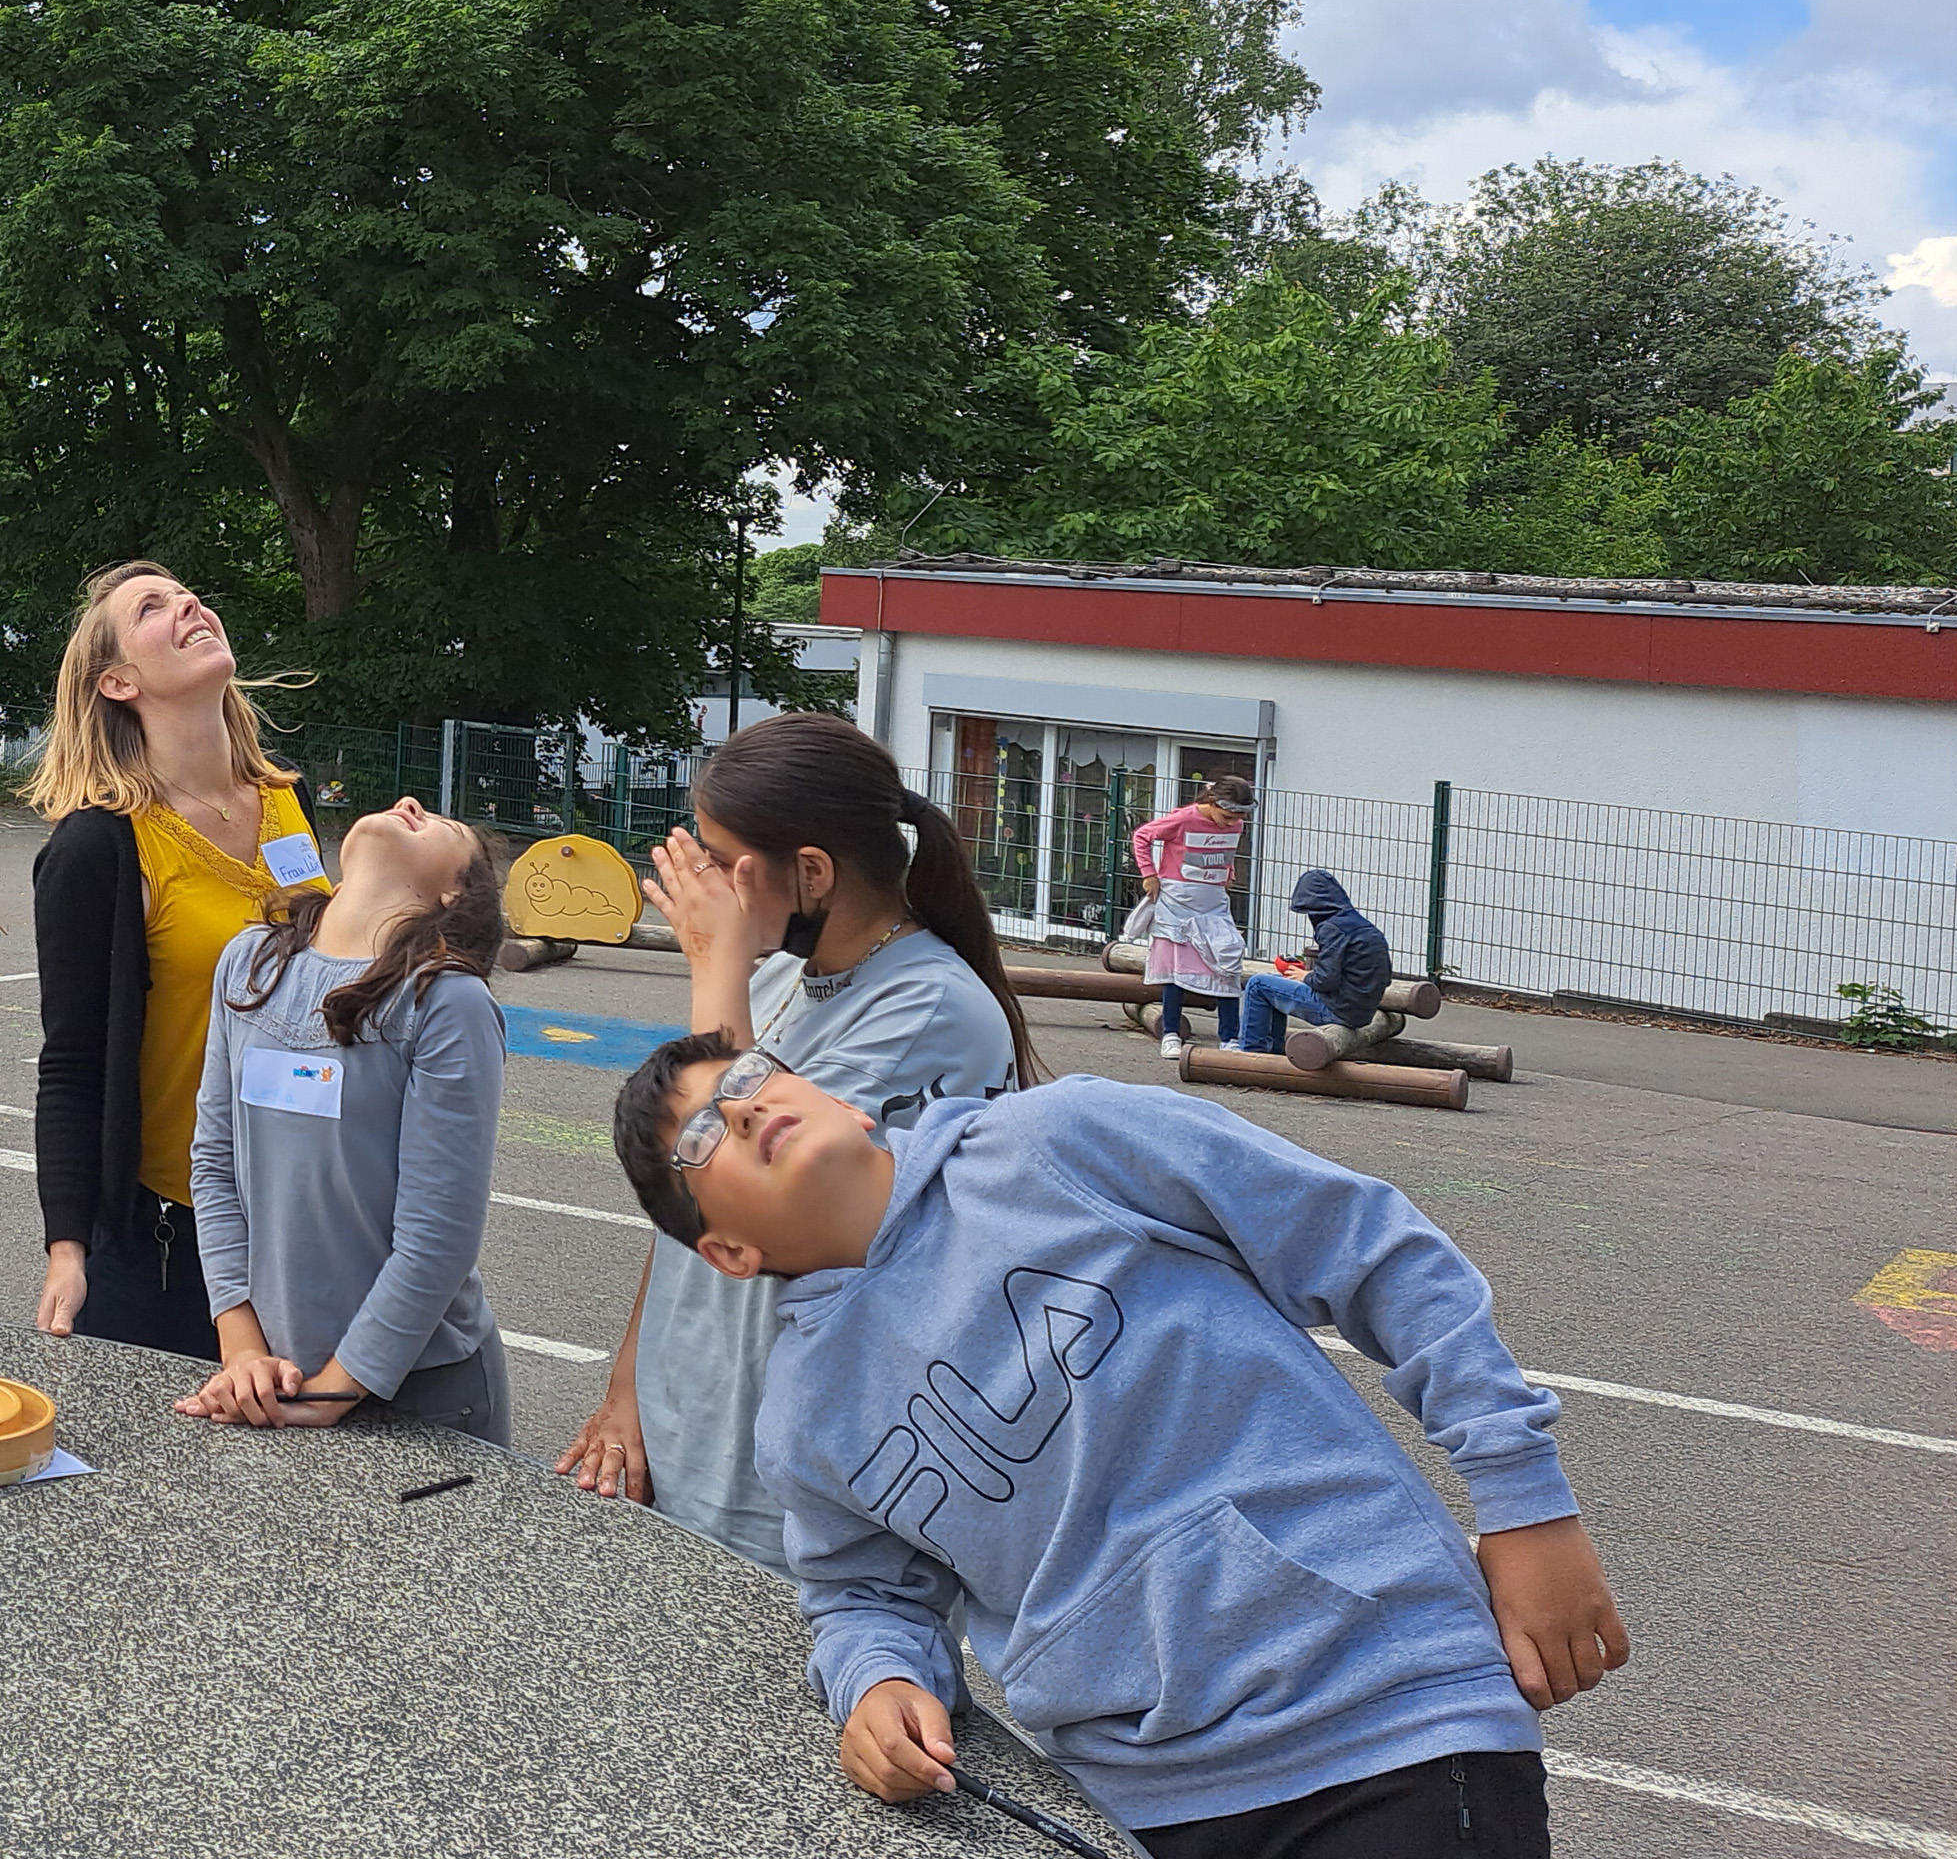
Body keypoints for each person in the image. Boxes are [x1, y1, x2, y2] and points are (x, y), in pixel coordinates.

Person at [614, 1047, 1629, 1857]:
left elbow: (1369, 1246)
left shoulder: (1057, 1140)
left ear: (839, 1096)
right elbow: (864, 1597)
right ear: (727, 1254)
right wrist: (876, 1681)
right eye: (703, 1133)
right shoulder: (801, 1419)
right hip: (1133, 1795)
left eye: (748, 1078)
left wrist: (1524, 1499)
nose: (743, 1110)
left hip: (1383, 1710)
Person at [555, 712, 1037, 1576]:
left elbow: (729, 1179)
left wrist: (713, 963)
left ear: (812, 872)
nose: (699, 879)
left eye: (718, 858)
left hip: (789, 1452)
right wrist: (628, 1383)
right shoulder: (773, 969)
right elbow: (680, 1197)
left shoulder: (930, 1007)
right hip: (688, 1406)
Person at [26, 563, 330, 1357]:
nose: (190, 602)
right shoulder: (99, 846)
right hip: (170, 1239)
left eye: (187, 593)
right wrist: (68, 1248)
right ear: (119, 681)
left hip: (307, 1214)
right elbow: (71, 1061)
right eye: (152, 607)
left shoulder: (284, 801)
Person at [178, 799, 514, 1442]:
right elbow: (214, 1166)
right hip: (272, 1378)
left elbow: (438, 1235)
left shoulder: (447, 1002)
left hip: (423, 1390)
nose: (411, 804)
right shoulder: (250, 962)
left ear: (453, 893)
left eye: (449, 823)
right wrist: (241, 1345)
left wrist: (337, 1386)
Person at [1132, 775, 1254, 1055]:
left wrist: (1229, 871)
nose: (1231, 822)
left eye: (1237, 818)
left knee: (1227, 965)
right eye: (1225, 816)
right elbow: (1142, 836)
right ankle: (1171, 1033)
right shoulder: (1184, 819)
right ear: (1212, 802)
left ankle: (1230, 1038)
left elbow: (1226, 850)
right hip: (1178, 902)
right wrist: (1149, 874)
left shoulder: (1235, 824)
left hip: (1213, 902)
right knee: (1176, 970)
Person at [1237, 870, 1394, 1059]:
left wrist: (1306, 976)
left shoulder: (1331, 928)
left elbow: (1326, 981)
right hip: (1362, 1013)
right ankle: (1273, 1052)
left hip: (1337, 1010)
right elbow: (1384, 977)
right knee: (1273, 984)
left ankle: (1250, 1054)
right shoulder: (1366, 928)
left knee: (1257, 984)